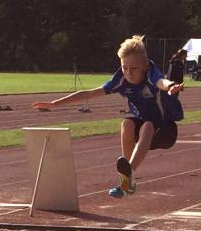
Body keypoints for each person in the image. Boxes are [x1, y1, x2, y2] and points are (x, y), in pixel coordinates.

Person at [33, 35, 184, 198]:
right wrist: (55, 104)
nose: (128, 73)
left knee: (148, 125)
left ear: (145, 66)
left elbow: (161, 82)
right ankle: (128, 180)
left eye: (133, 69)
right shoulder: (121, 79)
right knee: (126, 124)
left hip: (166, 130)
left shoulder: (151, 74)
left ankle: (128, 175)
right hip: (142, 127)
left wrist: (171, 86)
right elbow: (89, 94)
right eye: (124, 68)